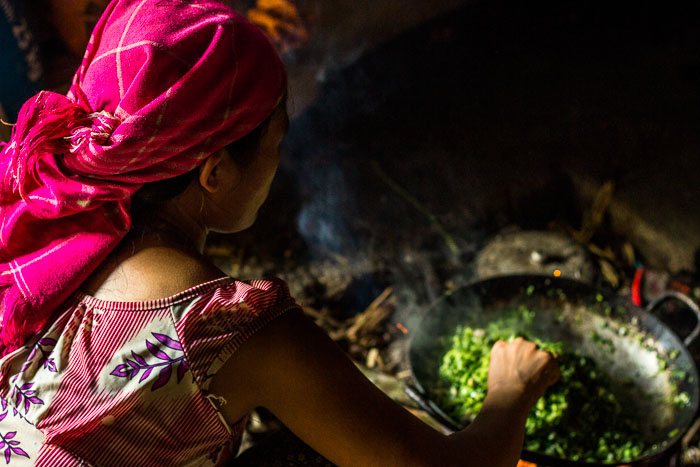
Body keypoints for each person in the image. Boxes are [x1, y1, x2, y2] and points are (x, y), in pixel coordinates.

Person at [0, 0, 560, 465]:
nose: (279, 160)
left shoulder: (49, 224)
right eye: (275, 140)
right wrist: (511, 390)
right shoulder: (227, 327)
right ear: (214, 171)